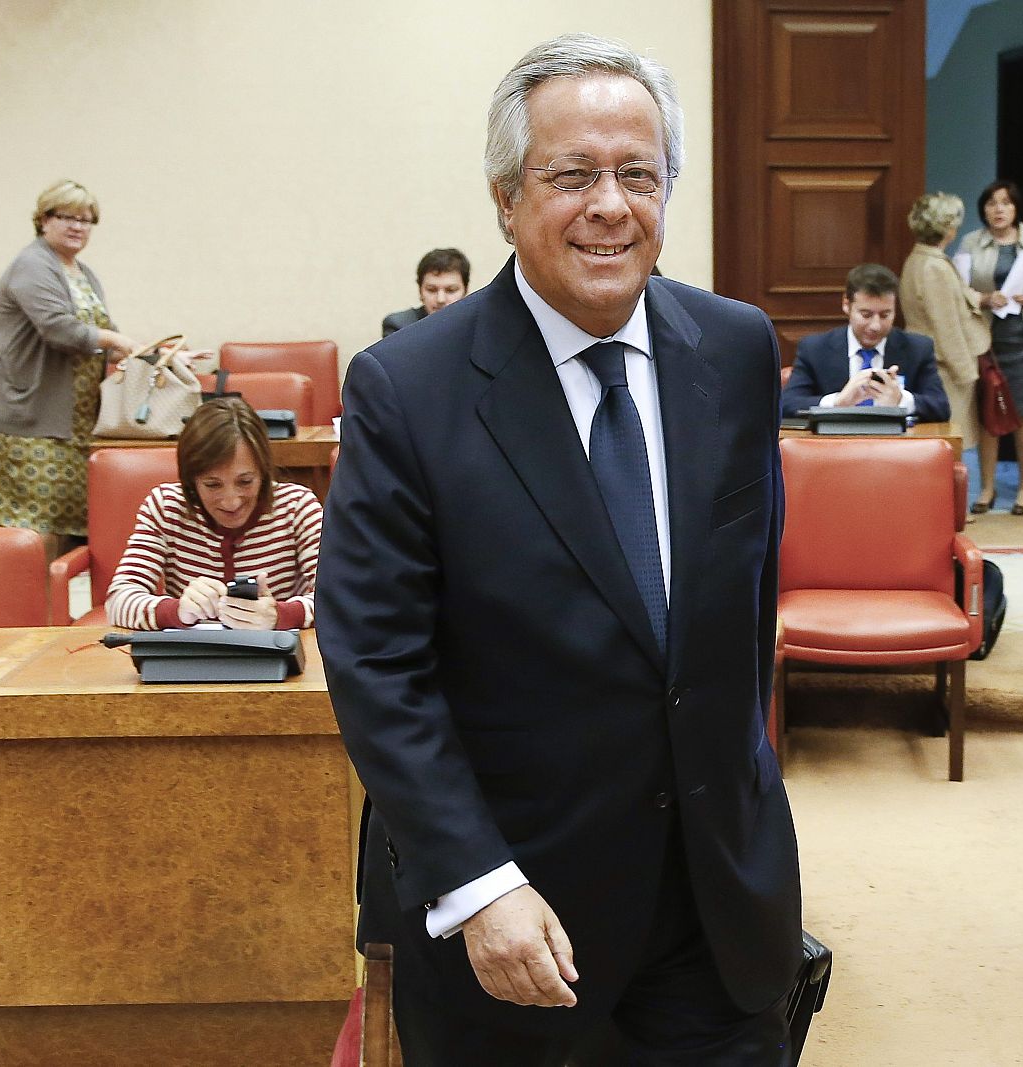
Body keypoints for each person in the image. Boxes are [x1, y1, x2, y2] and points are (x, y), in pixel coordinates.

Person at [317, 33, 801, 1065]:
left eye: (638, 173)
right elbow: (376, 663)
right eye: (571, 174)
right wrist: (479, 881)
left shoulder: (736, 347)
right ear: (504, 195)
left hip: (718, 905)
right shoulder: (407, 389)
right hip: (517, 923)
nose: (609, 204)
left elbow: (742, 607)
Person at [0, 179, 143, 557]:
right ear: (43, 220)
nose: (78, 226)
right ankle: (29, 611)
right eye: (67, 216)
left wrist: (154, 356)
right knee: (37, 526)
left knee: (66, 522)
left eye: (87, 220)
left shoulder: (82, 272)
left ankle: (53, 607)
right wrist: (117, 342)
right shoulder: (32, 265)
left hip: (73, 421)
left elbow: (102, 336)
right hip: (26, 416)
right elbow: (60, 329)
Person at [106, 397, 320, 631]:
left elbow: (341, 600)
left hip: (280, 658)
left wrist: (281, 615)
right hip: (192, 661)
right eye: (212, 485)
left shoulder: (298, 507)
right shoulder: (165, 507)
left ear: (264, 472)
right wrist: (178, 611)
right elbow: (119, 600)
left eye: (245, 481)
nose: (231, 501)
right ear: (191, 482)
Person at [957, 181, 1023, 515]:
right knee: (990, 416)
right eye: (991, 203)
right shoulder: (971, 242)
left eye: (1005, 203)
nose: (998, 209)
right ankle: (986, 488)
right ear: (983, 209)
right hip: (987, 341)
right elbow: (958, 288)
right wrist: (984, 298)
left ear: (1016, 208)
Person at [779, 262, 950, 421]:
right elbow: (786, 405)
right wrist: (838, 402)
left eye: (885, 315)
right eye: (866, 315)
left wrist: (901, 399)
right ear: (847, 305)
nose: (875, 326)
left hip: (896, 450)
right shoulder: (815, 349)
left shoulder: (918, 349)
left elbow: (941, 407)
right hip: (835, 449)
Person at [899, 192, 990, 456]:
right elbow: (946, 327)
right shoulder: (933, 267)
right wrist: (968, 374)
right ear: (947, 228)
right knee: (948, 448)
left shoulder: (922, 259)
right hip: (945, 370)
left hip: (935, 364)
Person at [381, 247, 472, 336]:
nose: (440, 299)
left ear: (465, 290)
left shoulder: (478, 326)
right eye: (431, 290)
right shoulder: (400, 326)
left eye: (450, 290)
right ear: (420, 290)